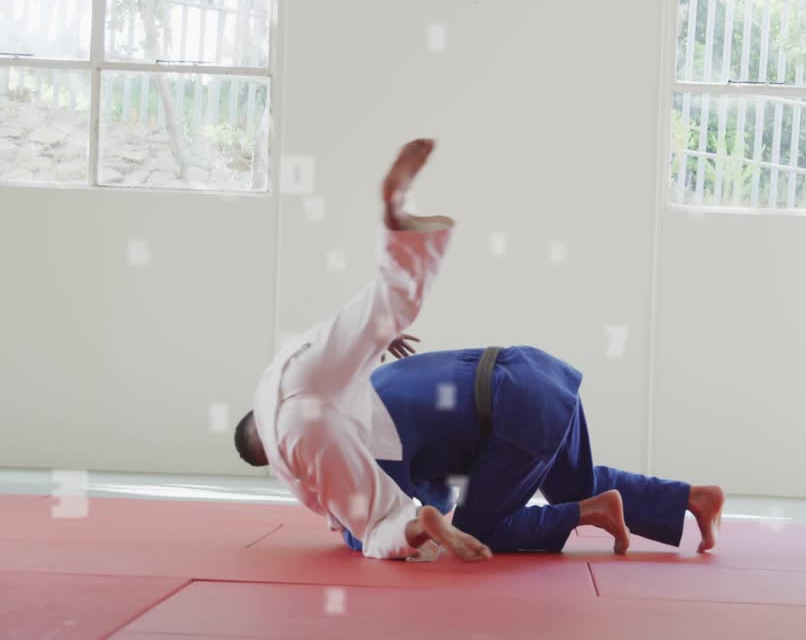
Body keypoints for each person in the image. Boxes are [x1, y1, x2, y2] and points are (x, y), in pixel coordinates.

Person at [232, 138, 496, 561]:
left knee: (374, 522)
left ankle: (415, 524)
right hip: (297, 367)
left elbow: (333, 503)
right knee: (389, 304)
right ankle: (397, 222)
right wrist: (377, 335)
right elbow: (338, 342)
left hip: (304, 435)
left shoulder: (285, 454)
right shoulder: (268, 384)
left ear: (262, 444)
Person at [338, 342, 725, 556]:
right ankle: (693, 499)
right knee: (577, 483)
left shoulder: (369, 434)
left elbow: (412, 519)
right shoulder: (377, 385)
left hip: (514, 412)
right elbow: (439, 494)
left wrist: (346, 524)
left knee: (478, 535)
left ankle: (588, 512)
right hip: (538, 377)